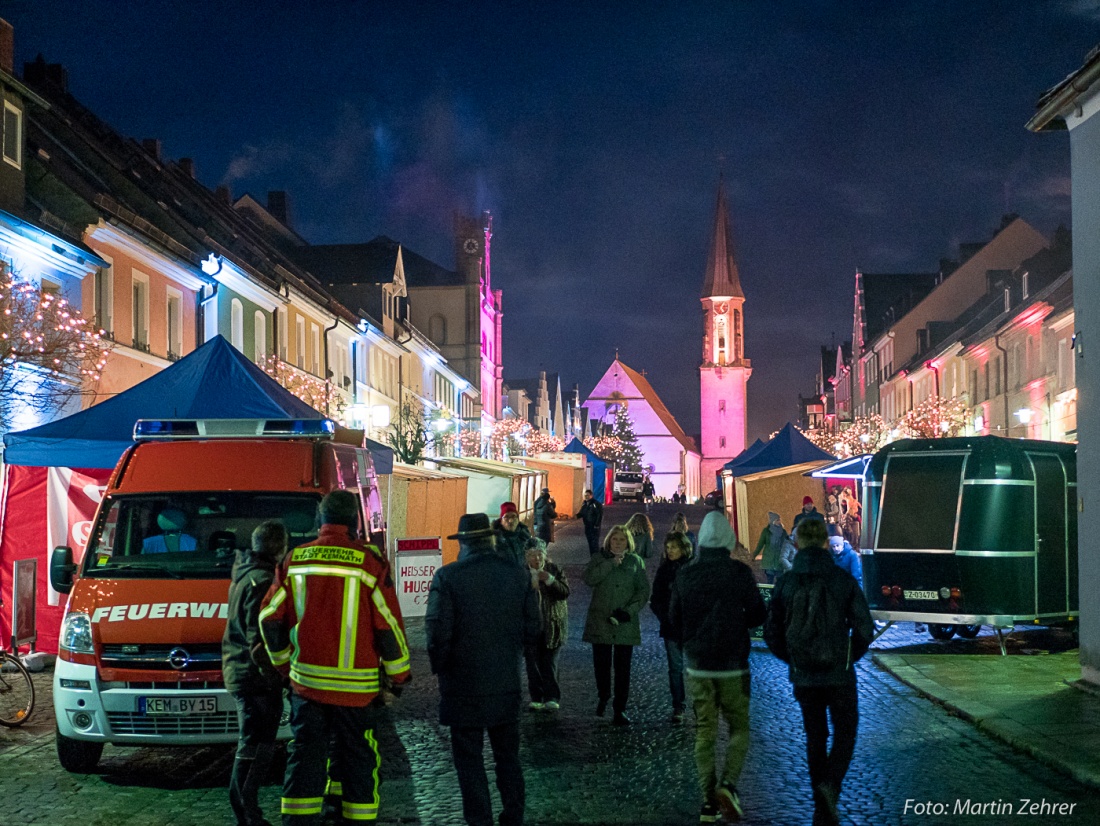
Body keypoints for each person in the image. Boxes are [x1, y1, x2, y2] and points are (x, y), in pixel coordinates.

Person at [259, 490, 410, 825]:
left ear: (320, 520)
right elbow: (388, 626)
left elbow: (268, 618)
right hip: (356, 691)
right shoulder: (369, 562)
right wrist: (398, 678)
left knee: (306, 755)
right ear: (355, 521)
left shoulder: (296, 559)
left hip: (307, 686)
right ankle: (355, 819)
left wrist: (285, 666)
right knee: (359, 757)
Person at [426, 513, 541, 826]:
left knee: (469, 760)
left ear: (463, 543)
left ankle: (479, 820)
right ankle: (513, 816)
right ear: (492, 540)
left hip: (463, 685)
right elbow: (534, 628)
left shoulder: (448, 577)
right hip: (505, 682)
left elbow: (437, 632)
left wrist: (442, 669)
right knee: (508, 758)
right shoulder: (517, 574)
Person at [763, 518, 874, 826]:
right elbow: (865, 628)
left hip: (805, 674)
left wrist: (793, 659)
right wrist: (849, 656)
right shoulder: (842, 579)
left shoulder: (786, 582)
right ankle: (830, 786)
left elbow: (771, 631)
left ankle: (819, 802)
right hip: (839, 672)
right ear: (826, 543)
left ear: (797, 543)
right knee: (846, 730)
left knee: (815, 735)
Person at [669, 511, 766, 824]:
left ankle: (708, 803)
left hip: (698, 664)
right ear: (727, 538)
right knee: (739, 727)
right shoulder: (739, 572)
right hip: (733, 664)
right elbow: (757, 614)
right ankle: (728, 784)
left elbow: (674, 618)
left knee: (705, 732)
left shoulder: (685, 573)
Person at [222, 521, 288, 826]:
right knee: (255, 741)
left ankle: (248, 811)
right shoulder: (261, 580)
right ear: (279, 547)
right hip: (253, 676)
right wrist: (276, 674)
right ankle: (246, 812)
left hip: (240, 670)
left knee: (256, 740)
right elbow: (257, 636)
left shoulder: (244, 573)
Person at [582, 524, 650, 726]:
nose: (618, 543)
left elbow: (643, 592)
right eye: (614, 539)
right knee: (601, 666)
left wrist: (628, 612)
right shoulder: (599, 558)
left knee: (623, 669)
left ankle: (620, 709)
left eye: (621, 540)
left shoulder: (636, 561)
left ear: (628, 542)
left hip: (624, 623)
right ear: (608, 541)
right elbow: (589, 578)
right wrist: (610, 563)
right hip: (600, 620)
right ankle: (603, 695)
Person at [649, 531, 693, 723]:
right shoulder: (664, 570)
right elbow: (655, 599)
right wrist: (665, 617)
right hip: (671, 627)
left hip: (694, 629)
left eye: (673, 547)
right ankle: (678, 706)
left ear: (684, 548)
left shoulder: (694, 569)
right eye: (667, 548)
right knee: (675, 669)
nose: (670, 551)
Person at [523, 537, 570, 711]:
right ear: (526, 557)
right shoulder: (522, 573)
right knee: (533, 664)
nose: (537, 559)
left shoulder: (554, 569)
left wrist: (550, 581)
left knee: (550, 662)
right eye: (533, 555)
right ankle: (536, 697)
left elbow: (565, 592)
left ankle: (552, 697)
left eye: (540, 555)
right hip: (530, 628)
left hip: (553, 624)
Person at [753, 511, 794, 584]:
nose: (779, 521)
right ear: (773, 521)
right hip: (769, 561)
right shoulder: (766, 531)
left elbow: (787, 544)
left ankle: (778, 595)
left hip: (779, 561)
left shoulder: (783, 532)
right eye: (777, 520)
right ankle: (770, 595)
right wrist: (754, 555)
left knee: (780, 581)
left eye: (779, 519)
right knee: (770, 581)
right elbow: (760, 544)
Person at [576, 489, 604, 555]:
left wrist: (596, 525)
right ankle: (593, 558)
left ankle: (596, 559)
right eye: (585, 495)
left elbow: (599, 515)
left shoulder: (596, 504)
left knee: (594, 543)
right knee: (590, 543)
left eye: (588, 495)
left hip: (594, 527)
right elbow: (582, 513)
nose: (586, 497)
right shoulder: (584, 504)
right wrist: (577, 516)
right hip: (587, 526)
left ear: (591, 495)